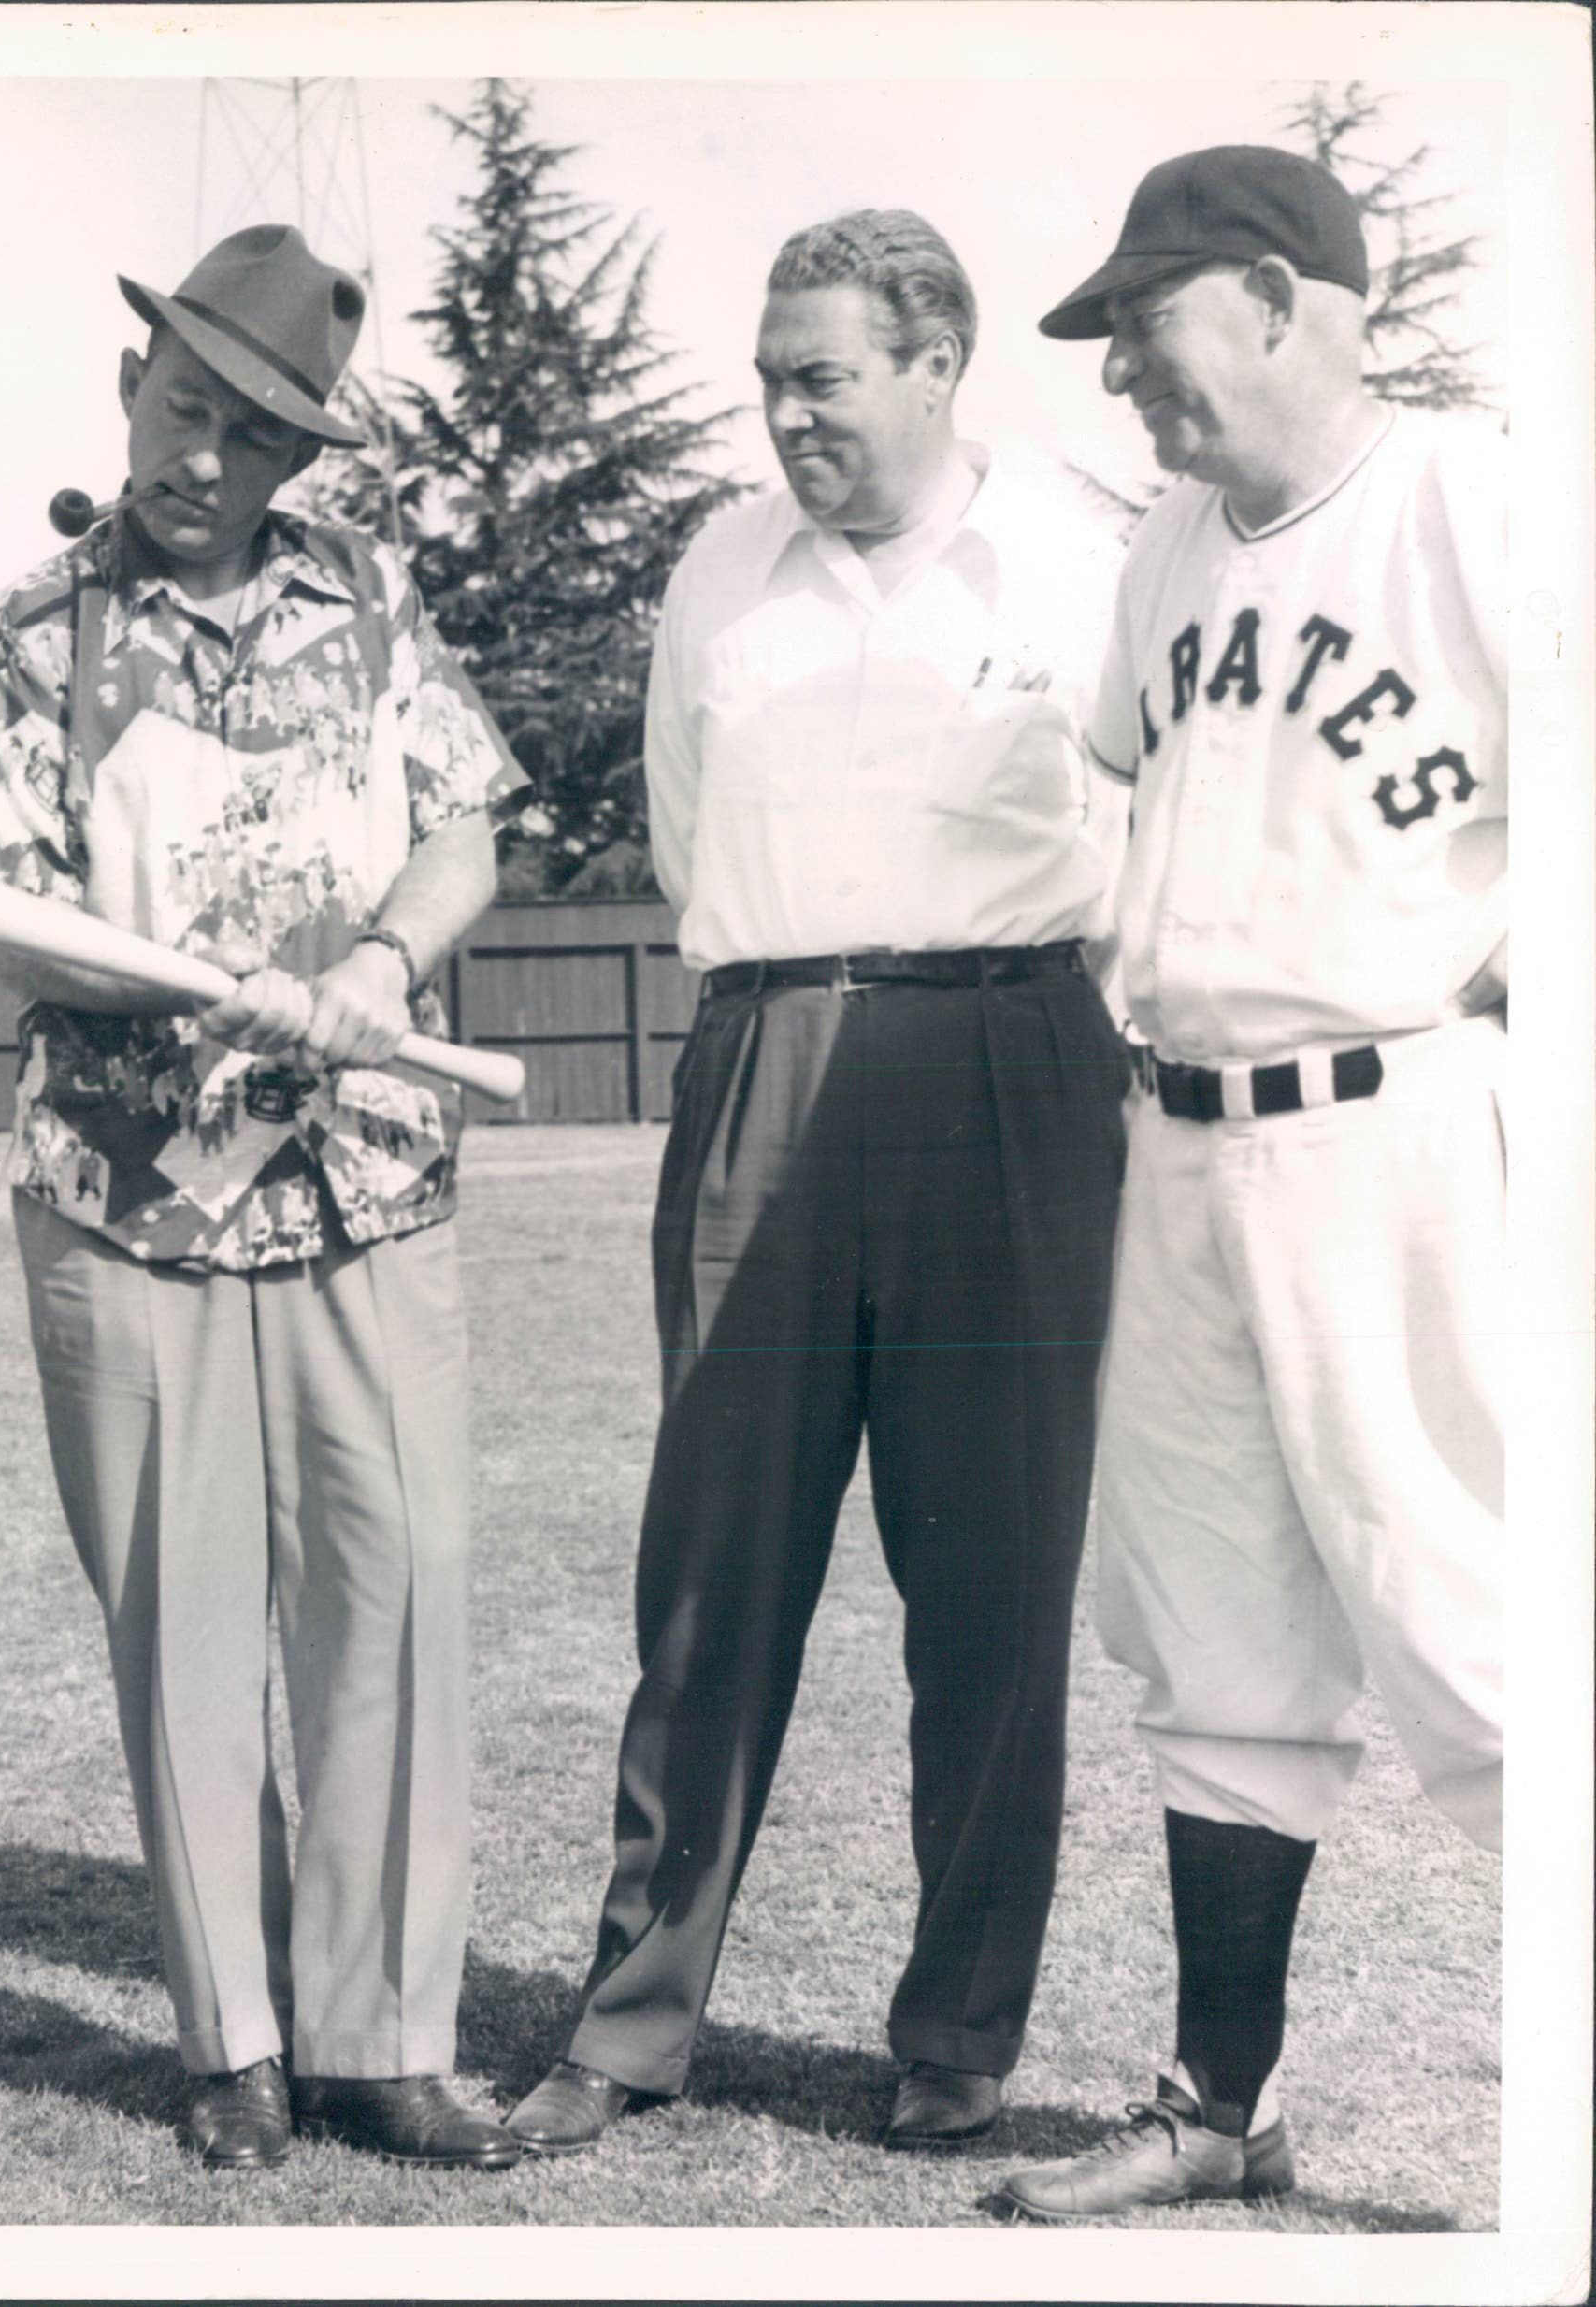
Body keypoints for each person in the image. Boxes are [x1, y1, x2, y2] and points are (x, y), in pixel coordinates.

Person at [503, 210, 1132, 2163]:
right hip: (764, 1049)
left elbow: (1129, 843)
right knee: (710, 1577)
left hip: (1007, 1059)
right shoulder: (715, 571)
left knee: (989, 1582)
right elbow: (688, 835)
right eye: (767, 375)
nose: (781, 414)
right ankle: (626, 2022)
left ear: (936, 363)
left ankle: (957, 2028)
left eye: (821, 375)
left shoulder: (1080, 566)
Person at [0, 224, 529, 2172]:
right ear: (131, 392)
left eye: (251, 437)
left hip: (361, 1180)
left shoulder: (368, 603)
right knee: (183, 1627)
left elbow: (461, 823)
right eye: (184, 411)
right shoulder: (28, 641)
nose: (204, 461)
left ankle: (380, 2036)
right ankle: (233, 2041)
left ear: (293, 463)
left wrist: (381, 965)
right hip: (134, 1196)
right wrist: (176, 966)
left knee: (391, 1589)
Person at [1000, 146, 1506, 2222]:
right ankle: (1218, 2099)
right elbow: (1117, 792)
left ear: (1284, 301)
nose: (1120, 365)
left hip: (1389, 1129)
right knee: (1205, 1638)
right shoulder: (1171, 555)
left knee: (1475, 1618)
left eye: (1150, 316)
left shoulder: (1462, 498)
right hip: (1179, 1137)